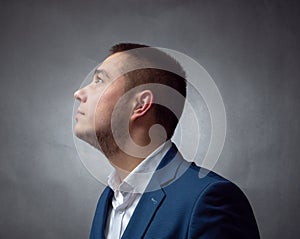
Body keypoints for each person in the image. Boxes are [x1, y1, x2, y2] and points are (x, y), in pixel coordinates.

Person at [73, 43, 260, 239]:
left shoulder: (209, 200)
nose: (79, 93)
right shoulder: (108, 199)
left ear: (140, 104)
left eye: (99, 80)